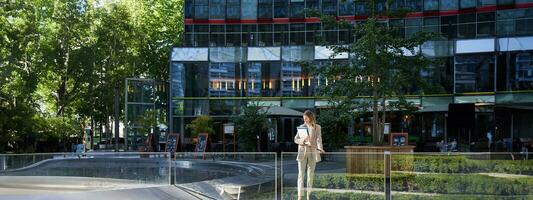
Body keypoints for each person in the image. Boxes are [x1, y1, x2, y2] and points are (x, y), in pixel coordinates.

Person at [294, 110, 325, 200]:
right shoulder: (301, 127)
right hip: (302, 152)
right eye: (304, 118)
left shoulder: (317, 127)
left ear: (310, 117)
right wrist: (303, 140)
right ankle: (300, 196)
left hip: (312, 152)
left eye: (306, 118)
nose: (305, 120)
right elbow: (295, 139)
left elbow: (319, 139)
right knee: (301, 175)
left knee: (310, 175)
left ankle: (309, 195)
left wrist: (320, 148)